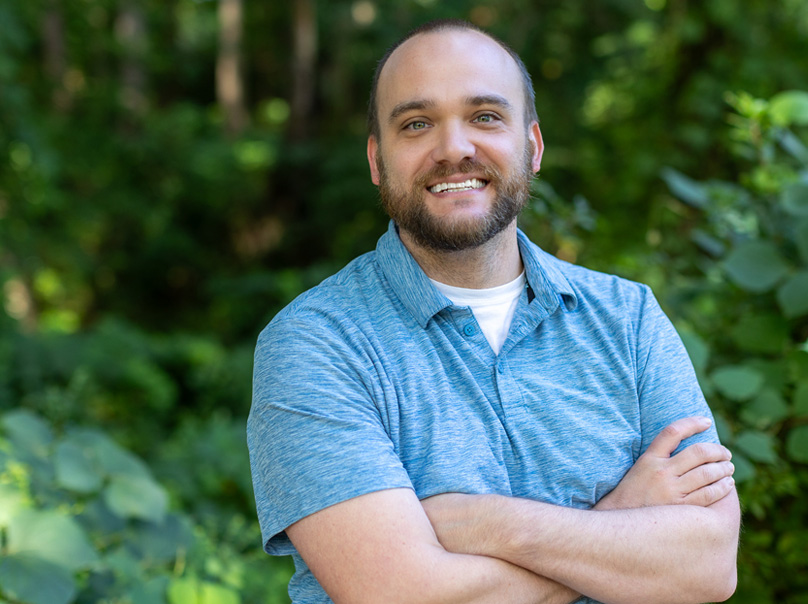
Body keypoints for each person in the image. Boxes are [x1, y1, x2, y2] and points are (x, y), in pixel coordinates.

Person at [248, 19, 740, 604]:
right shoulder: (315, 344)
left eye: (485, 116)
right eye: (417, 124)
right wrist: (620, 523)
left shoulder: (627, 318)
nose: (454, 148)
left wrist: (491, 525)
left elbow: (708, 566)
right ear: (378, 163)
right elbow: (401, 597)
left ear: (531, 147)